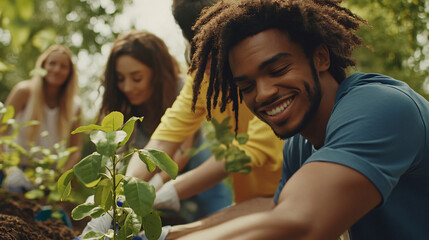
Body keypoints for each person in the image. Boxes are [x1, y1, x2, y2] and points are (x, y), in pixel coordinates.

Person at [160, 0, 429, 239]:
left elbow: (297, 224)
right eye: (247, 86)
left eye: (278, 70)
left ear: (321, 57)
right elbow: (275, 213)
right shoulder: (298, 145)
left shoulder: (381, 108)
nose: (263, 94)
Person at [125, 0, 284, 215]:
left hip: (293, 192)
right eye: (199, 52)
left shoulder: (265, 76)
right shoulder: (202, 80)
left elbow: (248, 152)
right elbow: (165, 138)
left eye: (215, 51)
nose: (207, 66)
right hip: (251, 203)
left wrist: (168, 190)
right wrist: (126, 189)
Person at [91, 29, 233, 227]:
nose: (128, 87)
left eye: (137, 78)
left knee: (214, 211)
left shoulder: (180, 87)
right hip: (148, 170)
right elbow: (117, 157)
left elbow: (182, 150)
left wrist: (156, 185)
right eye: (120, 79)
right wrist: (111, 196)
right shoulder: (121, 106)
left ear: (155, 73)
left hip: (190, 161)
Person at [3, 44, 82, 192]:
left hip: (47, 176)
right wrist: (11, 170)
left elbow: (75, 150)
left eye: (63, 66)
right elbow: (1, 133)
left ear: (70, 73)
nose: (57, 69)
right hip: (13, 170)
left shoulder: (75, 106)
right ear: (43, 65)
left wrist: (58, 178)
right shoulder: (24, 91)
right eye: (52, 63)